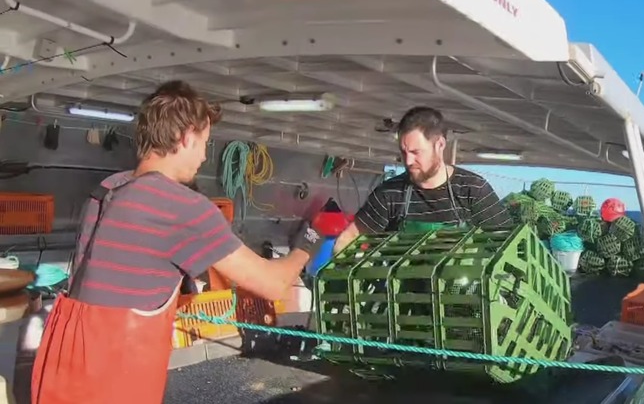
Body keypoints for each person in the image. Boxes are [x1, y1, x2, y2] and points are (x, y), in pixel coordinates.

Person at [30, 80, 324, 404]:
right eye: (204, 143)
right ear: (186, 138)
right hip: (115, 387)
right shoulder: (181, 205)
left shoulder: (105, 191)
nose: (203, 156)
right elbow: (272, 284)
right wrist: (308, 243)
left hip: (60, 379)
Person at [333, 106, 513, 254]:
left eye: (415, 152)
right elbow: (349, 238)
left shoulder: (472, 190)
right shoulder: (389, 194)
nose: (408, 161)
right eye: (404, 152)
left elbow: (507, 245)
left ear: (440, 145)